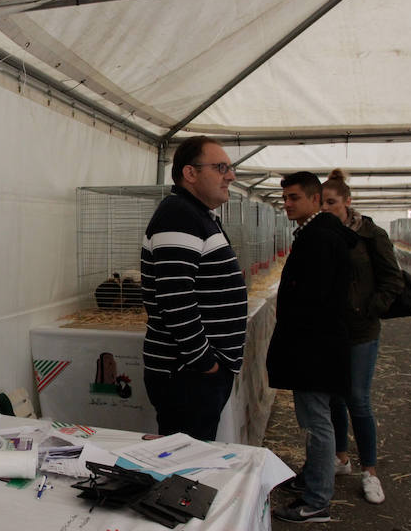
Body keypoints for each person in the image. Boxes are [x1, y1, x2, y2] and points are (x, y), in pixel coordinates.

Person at [140, 136, 247, 441]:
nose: (231, 175)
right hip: (188, 373)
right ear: (190, 173)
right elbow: (175, 299)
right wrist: (205, 362)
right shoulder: (179, 215)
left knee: (190, 457)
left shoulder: (194, 215)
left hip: (193, 372)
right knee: (185, 464)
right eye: (221, 167)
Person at [267, 171, 357, 524]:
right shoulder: (319, 233)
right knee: (317, 420)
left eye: (294, 198)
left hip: (314, 348)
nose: (287, 204)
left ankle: (317, 501)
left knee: (317, 423)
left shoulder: (319, 238)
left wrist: (296, 335)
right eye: (284, 198)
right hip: (319, 344)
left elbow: (313, 297)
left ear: (315, 199)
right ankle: (312, 484)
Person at [321, 168, 403, 504]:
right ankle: (341, 459)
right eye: (321, 202)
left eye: (332, 202)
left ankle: (371, 472)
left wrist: (370, 308)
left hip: (362, 330)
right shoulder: (321, 234)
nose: (326, 208)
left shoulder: (372, 234)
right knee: (336, 398)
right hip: (332, 331)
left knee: (359, 399)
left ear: (347, 201)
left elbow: (393, 280)